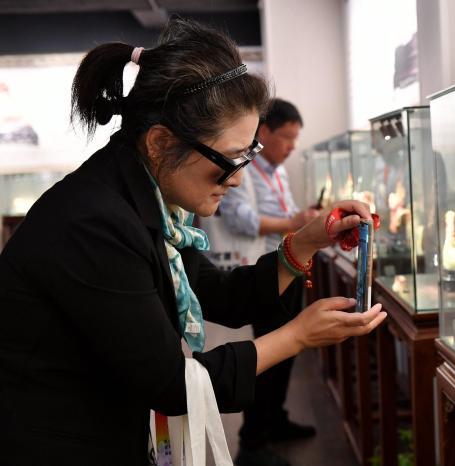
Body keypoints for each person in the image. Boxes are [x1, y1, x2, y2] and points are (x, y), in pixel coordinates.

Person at [0, 18, 386, 466]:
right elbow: (171, 384)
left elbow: (219, 294)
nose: (237, 179)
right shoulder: (95, 222)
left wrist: (305, 241)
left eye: (248, 156)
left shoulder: (153, 205)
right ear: (161, 143)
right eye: (230, 159)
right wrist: (296, 337)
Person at [207, 98, 320, 466]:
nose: (291, 147)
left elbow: (286, 215)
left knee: (285, 357)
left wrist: (301, 222)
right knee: (268, 358)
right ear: (264, 131)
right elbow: (240, 220)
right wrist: (296, 225)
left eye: (295, 139)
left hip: (288, 264)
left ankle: (274, 421)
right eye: (286, 137)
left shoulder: (277, 171)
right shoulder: (245, 167)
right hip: (264, 269)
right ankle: (252, 443)